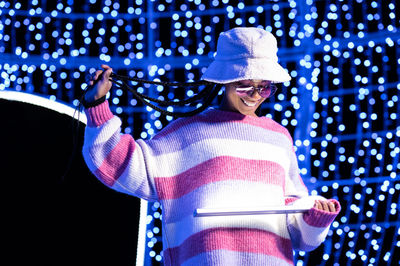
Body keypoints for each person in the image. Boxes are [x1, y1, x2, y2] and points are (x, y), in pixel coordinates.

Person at [81, 27, 340, 265]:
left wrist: (316, 218)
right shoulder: (187, 134)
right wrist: (96, 107)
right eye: (244, 85)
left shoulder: (279, 139)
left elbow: (300, 236)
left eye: (264, 88)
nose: (254, 95)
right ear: (223, 81)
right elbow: (117, 163)